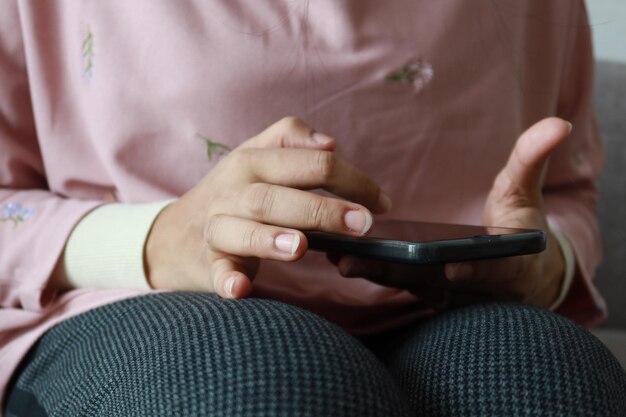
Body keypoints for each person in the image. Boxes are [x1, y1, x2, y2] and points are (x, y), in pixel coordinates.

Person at [1, 1, 625, 416]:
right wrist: (155, 240)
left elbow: (566, 190)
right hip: (127, 310)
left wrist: (544, 262)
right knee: (264, 388)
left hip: (452, 312)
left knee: (549, 381)